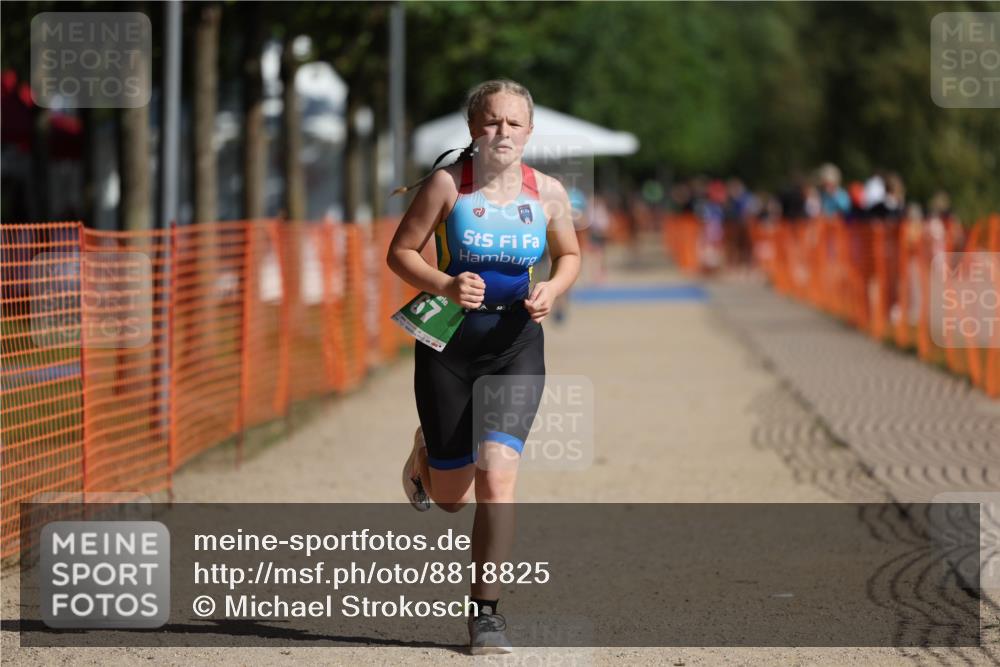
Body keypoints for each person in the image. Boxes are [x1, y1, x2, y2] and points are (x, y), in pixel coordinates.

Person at [386, 79, 581, 654]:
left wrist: (555, 288)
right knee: (452, 497)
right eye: (491, 122)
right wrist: (445, 282)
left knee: (497, 474)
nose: (502, 133)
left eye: (513, 123)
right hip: (448, 345)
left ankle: (486, 613)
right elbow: (401, 252)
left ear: (529, 131)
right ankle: (426, 454)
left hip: (515, 345)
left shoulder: (546, 192)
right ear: (473, 128)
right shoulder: (448, 186)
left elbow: (569, 254)